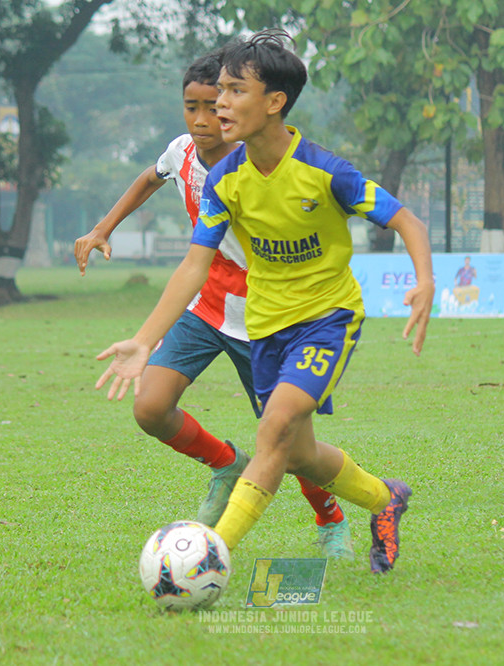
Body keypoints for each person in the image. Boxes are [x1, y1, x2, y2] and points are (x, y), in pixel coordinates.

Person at [95, 30, 434, 573]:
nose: (219, 104)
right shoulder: (226, 180)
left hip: (326, 321)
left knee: (274, 429)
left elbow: (406, 220)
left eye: (233, 92)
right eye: (216, 93)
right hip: (265, 328)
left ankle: (211, 554)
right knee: (299, 454)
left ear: (274, 102)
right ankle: (384, 499)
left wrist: (425, 280)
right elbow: (193, 266)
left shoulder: (326, 172)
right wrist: (143, 338)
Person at [74, 50, 353, 558]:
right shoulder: (181, 151)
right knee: (151, 407)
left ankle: (329, 516)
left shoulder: (254, 165)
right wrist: (102, 228)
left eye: (217, 104)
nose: (204, 119)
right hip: (205, 308)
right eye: (192, 106)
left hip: (265, 319)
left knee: (290, 450)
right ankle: (225, 463)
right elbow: (148, 178)